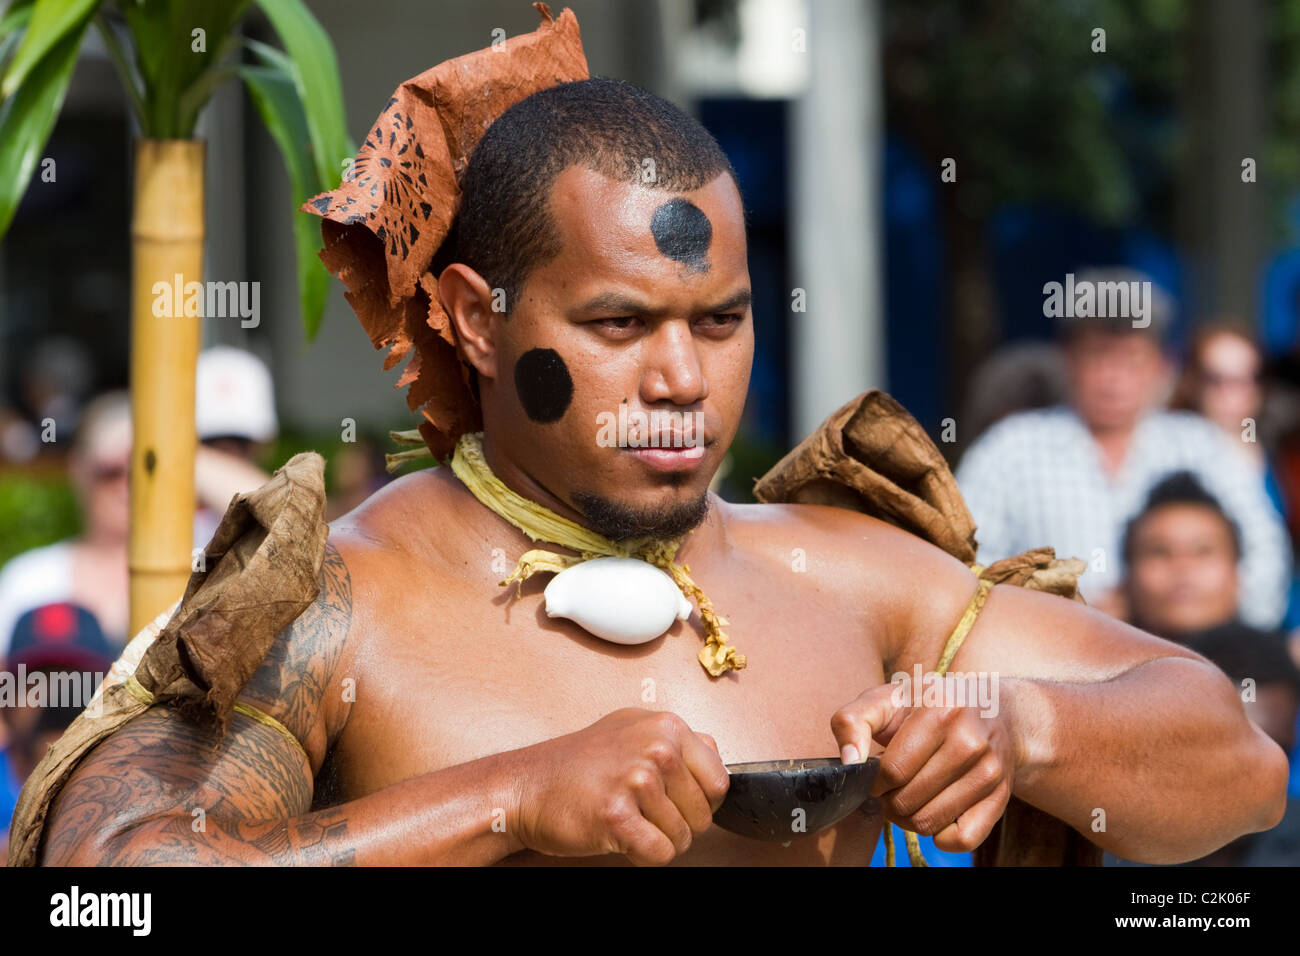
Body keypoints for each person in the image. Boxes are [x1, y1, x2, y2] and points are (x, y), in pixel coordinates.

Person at [38, 50, 1287, 864]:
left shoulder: (848, 572)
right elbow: (110, 890)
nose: (682, 379)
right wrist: (506, 797)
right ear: (478, 318)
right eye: (618, 324)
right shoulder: (347, 595)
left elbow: (1241, 760)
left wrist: (1017, 727)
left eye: (721, 321)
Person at [956, 272, 1291, 628]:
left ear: (1162, 365)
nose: (1113, 377)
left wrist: (1197, 623)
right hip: (1054, 665)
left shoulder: (1202, 448)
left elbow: (1264, 559)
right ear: (1067, 358)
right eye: (1098, 356)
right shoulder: (1009, 450)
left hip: (1191, 660)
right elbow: (965, 567)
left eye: (1131, 358)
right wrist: (1066, 618)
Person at [0, 392, 132, 656]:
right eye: (110, 472)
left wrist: (186, 458)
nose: (125, 488)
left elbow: (240, 509)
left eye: (140, 472)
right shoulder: (29, 578)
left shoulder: (195, 572)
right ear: (80, 470)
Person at [0, 603, 115, 860]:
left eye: (76, 683)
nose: (59, 699)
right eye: (39, 682)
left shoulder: (137, 781)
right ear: (5, 700)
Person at [1121, 471, 1243, 641]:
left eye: (1203, 550)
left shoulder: (1279, 661)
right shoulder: (1093, 662)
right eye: (1159, 551)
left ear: (1236, 574)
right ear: (1128, 577)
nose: (1183, 567)